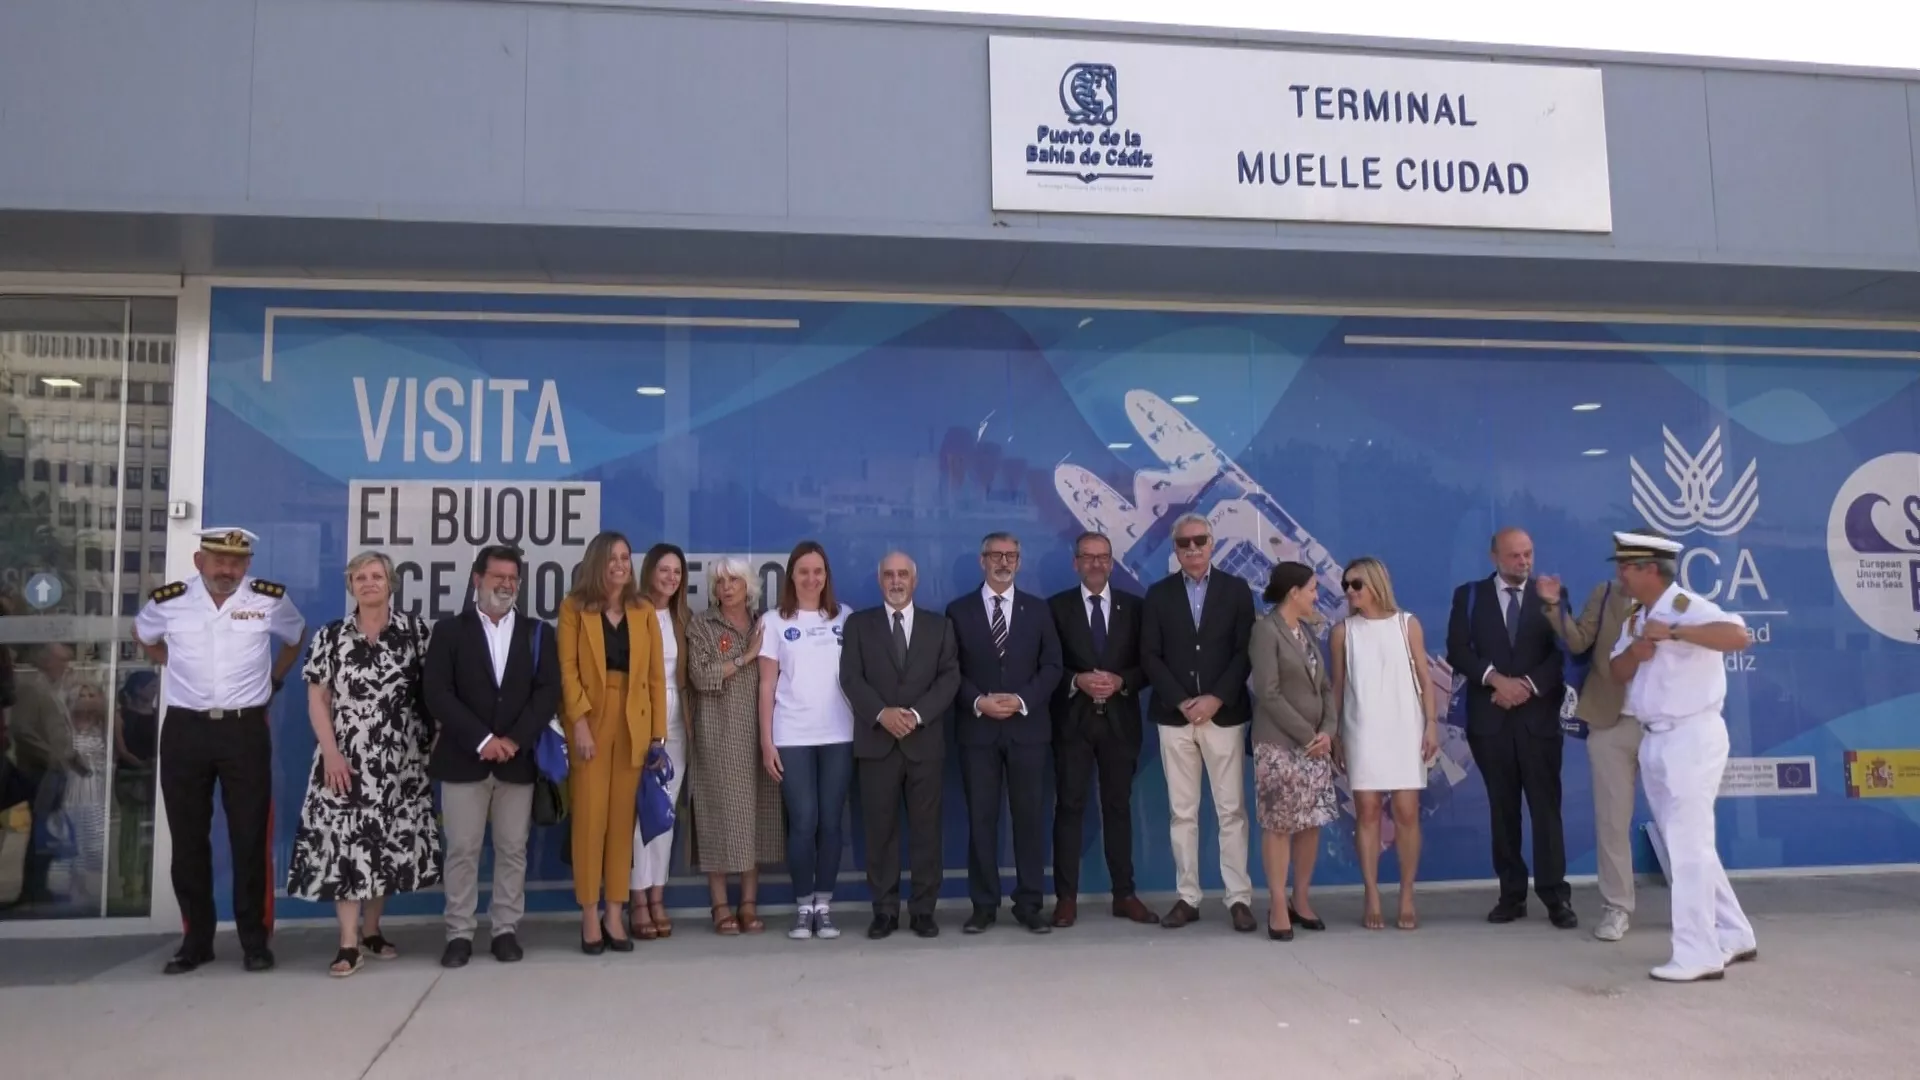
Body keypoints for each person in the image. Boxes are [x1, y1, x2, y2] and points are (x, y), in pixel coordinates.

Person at [133, 527, 305, 974]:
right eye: (218, 560)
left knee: (249, 837)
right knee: (188, 838)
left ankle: (254, 940)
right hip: (186, 730)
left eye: (236, 561)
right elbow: (144, 635)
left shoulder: (268, 599)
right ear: (198, 561)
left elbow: (295, 637)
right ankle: (196, 940)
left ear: (247, 565)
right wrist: (173, 666)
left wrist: (274, 682)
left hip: (243, 729)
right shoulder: (168, 600)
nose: (227, 570)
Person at [1605, 532, 1757, 983]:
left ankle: (1697, 951)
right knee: (1684, 843)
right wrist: (1637, 650)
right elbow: (1615, 671)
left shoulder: (1687, 607)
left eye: (1626, 567)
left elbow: (1737, 636)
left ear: (1651, 569)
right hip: (1655, 738)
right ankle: (1735, 931)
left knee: (1689, 845)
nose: (1620, 575)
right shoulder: (1636, 615)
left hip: (1693, 735)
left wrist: (1673, 631)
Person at [286, 551, 441, 977]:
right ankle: (348, 942)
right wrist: (331, 752)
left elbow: (437, 692)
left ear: (390, 583)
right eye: (360, 577)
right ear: (350, 586)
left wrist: (436, 741)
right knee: (346, 846)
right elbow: (317, 698)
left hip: (401, 761)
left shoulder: (416, 632)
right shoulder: (330, 636)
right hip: (345, 760)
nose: (369, 582)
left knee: (386, 844)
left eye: (376, 575)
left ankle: (373, 930)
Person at [423, 545, 559, 969]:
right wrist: (483, 739)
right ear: (476, 579)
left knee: (512, 848)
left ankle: (505, 929)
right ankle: (459, 933)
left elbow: (547, 693)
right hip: (465, 759)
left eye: (512, 578)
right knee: (462, 849)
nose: (505, 584)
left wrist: (514, 740)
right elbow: (437, 694)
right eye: (497, 576)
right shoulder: (448, 632)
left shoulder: (538, 633)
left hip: (517, 762)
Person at [1445, 528, 1575, 929]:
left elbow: (1564, 652)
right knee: (1503, 811)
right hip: (1491, 720)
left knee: (1546, 810)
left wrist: (1528, 687)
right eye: (1515, 556)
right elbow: (1458, 649)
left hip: (1539, 721)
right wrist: (1494, 680)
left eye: (1528, 554)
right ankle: (1511, 894)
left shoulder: (1551, 595)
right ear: (1494, 557)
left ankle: (1555, 896)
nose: (1524, 562)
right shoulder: (1468, 596)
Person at [1140, 513, 1257, 933]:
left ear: (1212, 543)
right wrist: (1183, 701)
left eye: (1199, 540)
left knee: (1231, 811)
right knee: (1182, 812)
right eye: (1184, 543)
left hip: (1223, 716)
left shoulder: (1237, 590)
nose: (1192, 548)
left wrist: (1215, 698)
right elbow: (1149, 655)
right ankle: (1188, 897)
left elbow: (1245, 651)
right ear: (1176, 549)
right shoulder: (1158, 594)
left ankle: (1238, 898)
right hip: (1175, 717)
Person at [946, 532, 1062, 935]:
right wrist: (978, 702)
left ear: (1019, 561)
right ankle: (983, 905)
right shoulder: (958, 611)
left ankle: (1030, 903)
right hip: (978, 732)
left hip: (1027, 730)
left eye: (1011, 555)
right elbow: (950, 671)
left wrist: (1021, 699)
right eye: (996, 555)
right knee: (981, 820)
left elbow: (1052, 667)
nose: (1003, 561)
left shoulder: (1038, 609)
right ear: (982, 561)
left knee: (1029, 819)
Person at [843, 552, 960, 940]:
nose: (896, 581)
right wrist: (881, 713)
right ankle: (885, 911)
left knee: (927, 832)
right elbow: (850, 678)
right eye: (889, 575)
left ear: (915, 580)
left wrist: (915, 715)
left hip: (923, 743)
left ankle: (924, 911)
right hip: (877, 744)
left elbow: (948, 679)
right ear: (880, 581)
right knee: (880, 832)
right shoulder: (859, 625)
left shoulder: (939, 626)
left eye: (903, 575)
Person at [558, 532, 666, 954]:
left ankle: (615, 913)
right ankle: (589, 915)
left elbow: (656, 677)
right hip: (591, 721)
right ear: (597, 562)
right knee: (590, 821)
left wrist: (658, 735)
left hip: (634, 725)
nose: (620, 565)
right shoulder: (574, 609)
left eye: (625, 557)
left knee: (623, 824)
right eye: (612, 558)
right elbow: (567, 670)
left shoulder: (643, 610)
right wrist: (579, 723)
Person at [1047, 530, 1156, 927]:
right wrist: (1076, 681)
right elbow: (1047, 667)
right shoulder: (1055, 608)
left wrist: (1122, 681)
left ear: (1111, 563)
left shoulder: (1136, 608)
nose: (1096, 563)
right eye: (1088, 557)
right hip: (1072, 724)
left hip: (1120, 722)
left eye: (1103, 557)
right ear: (1075, 563)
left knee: (1118, 808)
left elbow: (1149, 664)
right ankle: (1066, 898)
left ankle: (1124, 895)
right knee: (1070, 808)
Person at [1330, 556, 1438, 931]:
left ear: (1376, 584)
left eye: (1356, 584)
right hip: (1361, 728)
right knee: (1368, 812)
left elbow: (1425, 679)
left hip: (1405, 727)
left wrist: (1431, 726)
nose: (1349, 591)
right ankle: (1372, 892)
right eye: (1346, 585)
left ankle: (1407, 894)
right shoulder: (1343, 631)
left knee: (1408, 812)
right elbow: (1338, 688)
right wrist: (1337, 735)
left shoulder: (1407, 624)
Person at [1537, 566, 1641, 942]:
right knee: (1612, 822)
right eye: (1621, 562)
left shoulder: (1678, 604)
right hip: (1609, 722)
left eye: (1632, 563)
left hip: (1663, 725)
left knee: (1680, 821)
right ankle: (1617, 907)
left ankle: (1694, 906)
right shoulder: (1608, 592)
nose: (1622, 570)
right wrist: (1553, 607)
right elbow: (1578, 642)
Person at [759, 540, 854, 940]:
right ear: (791, 576)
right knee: (803, 822)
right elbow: (766, 686)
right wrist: (767, 742)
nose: (811, 578)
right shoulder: (774, 621)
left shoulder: (845, 618)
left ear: (826, 576)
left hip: (838, 734)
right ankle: (802, 907)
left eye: (818, 571)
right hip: (792, 735)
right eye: (803, 572)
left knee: (830, 823)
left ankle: (824, 906)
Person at [687, 557, 783, 936]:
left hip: (759, 734)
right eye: (720, 581)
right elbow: (701, 675)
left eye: (734, 581)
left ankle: (748, 903)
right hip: (718, 734)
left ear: (749, 586)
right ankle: (720, 906)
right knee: (718, 819)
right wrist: (745, 656)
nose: (726, 587)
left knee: (754, 820)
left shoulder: (765, 623)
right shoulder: (702, 624)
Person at [1248, 561, 1338, 941]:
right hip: (1280, 745)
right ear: (1294, 592)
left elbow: (1325, 690)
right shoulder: (1265, 631)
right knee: (1280, 824)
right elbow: (1267, 692)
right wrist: (1307, 735)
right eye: (1313, 589)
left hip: (1315, 747)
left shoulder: (1307, 632)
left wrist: (1328, 732)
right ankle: (1278, 904)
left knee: (1311, 822)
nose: (1318, 596)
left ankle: (1301, 899)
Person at [629, 543, 690, 939]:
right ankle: (636, 900)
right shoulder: (633, 612)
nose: (671, 578)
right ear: (649, 571)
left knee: (664, 818)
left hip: (677, 726)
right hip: (639, 722)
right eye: (664, 570)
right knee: (638, 820)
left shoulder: (683, 618)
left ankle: (657, 896)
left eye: (677, 572)